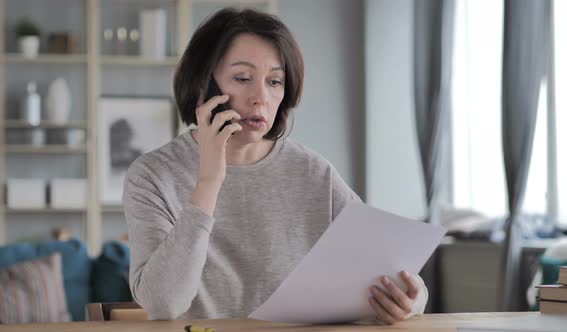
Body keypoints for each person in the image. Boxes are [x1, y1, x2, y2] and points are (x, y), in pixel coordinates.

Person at [123, 7, 428, 325]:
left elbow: (388, 269)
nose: (261, 97)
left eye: (275, 81)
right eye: (242, 78)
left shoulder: (313, 173)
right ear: (204, 85)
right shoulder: (153, 176)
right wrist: (209, 181)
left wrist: (413, 298)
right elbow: (163, 303)